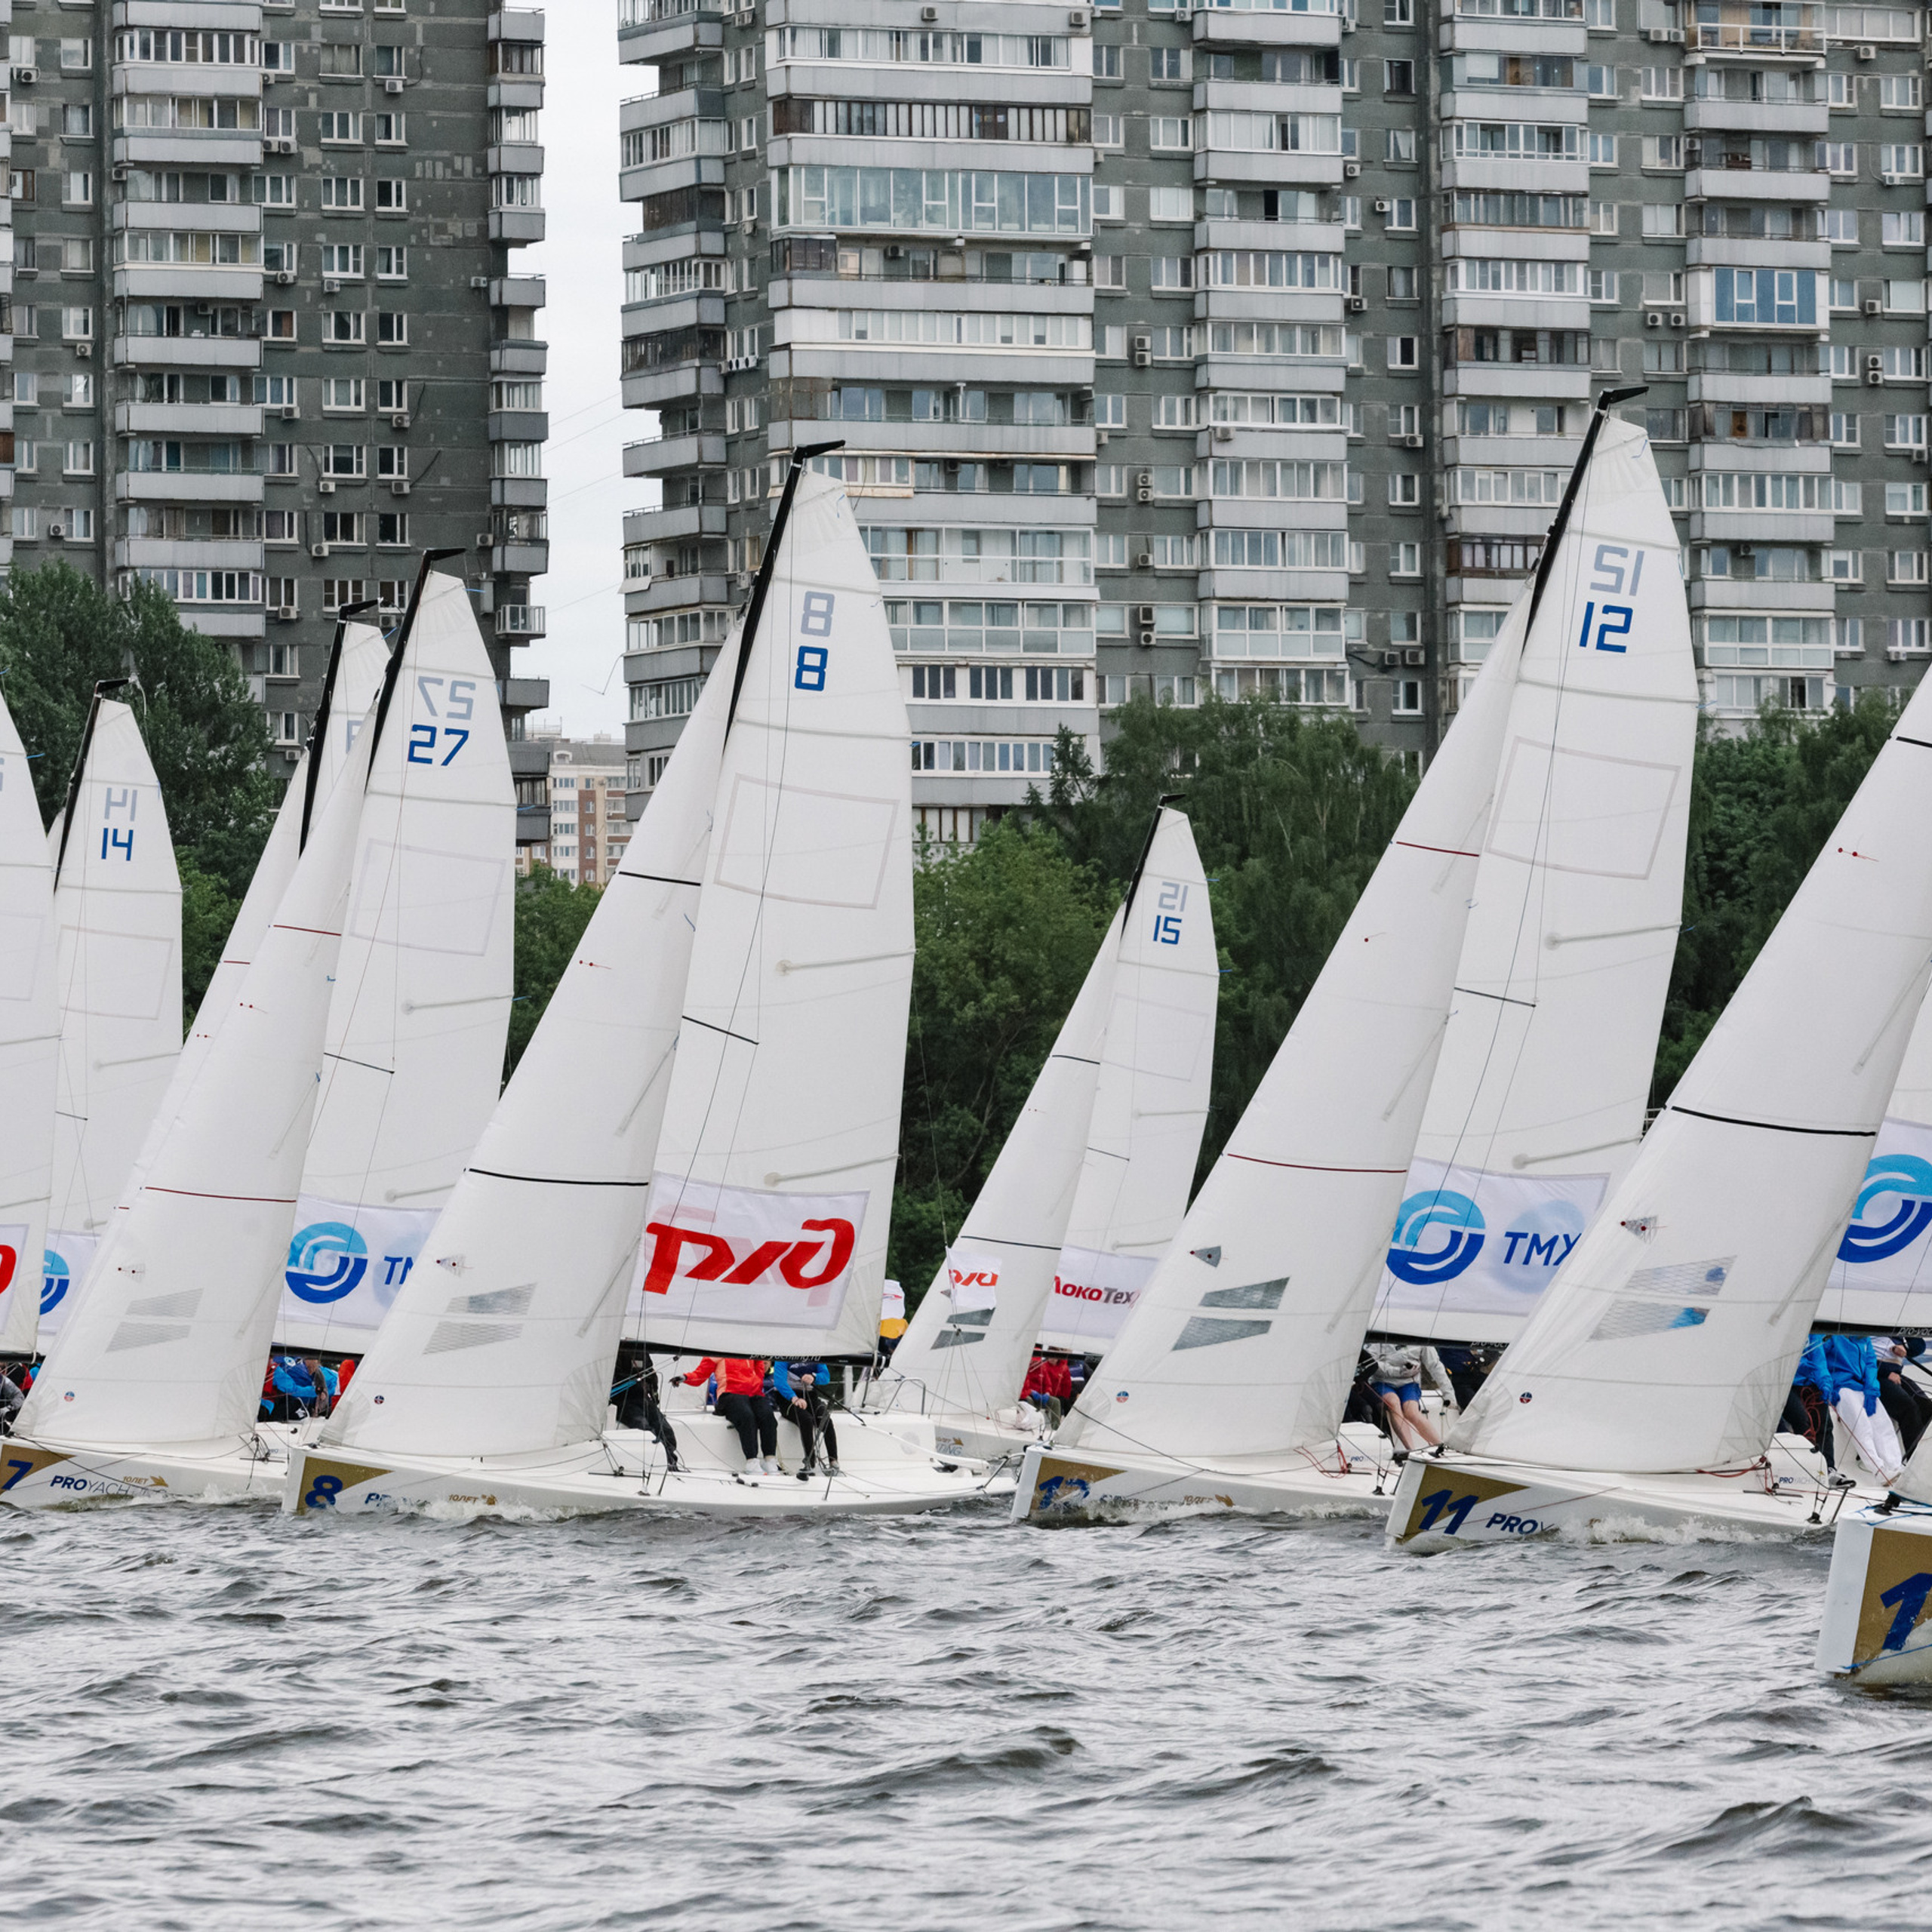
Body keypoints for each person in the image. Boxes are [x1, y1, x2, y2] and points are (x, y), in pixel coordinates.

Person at [1820, 1332, 1904, 1485]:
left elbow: (1871, 1363)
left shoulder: (1863, 1338)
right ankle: (1879, 1471)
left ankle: (1896, 1466)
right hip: (1841, 1388)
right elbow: (1820, 1360)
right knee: (1861, 1427)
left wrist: (1871, 1388)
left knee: (1883, 1424)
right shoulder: (1831, 1337)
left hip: (1862, 1387)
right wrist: (1829, 1386)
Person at [680, 1356, 776, 1475]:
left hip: (753, 1394)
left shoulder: (749, 1349)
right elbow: (700, 1375)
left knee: (768, 1416)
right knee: (747, 1416)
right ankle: (752, 1461)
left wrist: (757, 1379)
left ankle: (770, 1459)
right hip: (729, 1394)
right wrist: (686, 1378)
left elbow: (759, 1363)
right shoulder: (717, 1352)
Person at [1366, 1340, 1456, 1456]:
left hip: (1409, 1383)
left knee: (1411, 1412)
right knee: (1394, 1403)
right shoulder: (1380, 1338)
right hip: (1382, 1381)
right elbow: (1370, 1361)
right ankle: (1411, 1450)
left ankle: (1441, 1447)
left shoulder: (1421, 1338)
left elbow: (1435, 1366)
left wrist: (1448, 1393)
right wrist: (1397, 1371)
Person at [613, 1351, 682, 1472]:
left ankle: (670, 1462)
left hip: (644, 1400)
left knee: (666, 1430)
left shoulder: (642, 1353)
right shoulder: (617, 1351)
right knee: (645, 1428)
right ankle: (657, 1465)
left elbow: (652, 1375)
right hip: (623, 1401)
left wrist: (655, 1396)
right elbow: (613, 1377)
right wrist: (633, 1380)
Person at [774, 1358, 841, 1478]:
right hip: (788, 1398)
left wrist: (814, 1377)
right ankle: (810, 1463)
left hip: (810, 1395)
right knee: (806, 1419)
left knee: (825, 1419)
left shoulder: (814, 1356)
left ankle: (834, 1462)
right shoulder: (783, 1356)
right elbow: (779, 1382)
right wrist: (794, 1398)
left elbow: (826, 1377)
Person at [1875, 1338, 1932, 1458]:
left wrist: (1906, 1348)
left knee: (1927, 1408)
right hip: (1873, 1376)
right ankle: (1915, 1462)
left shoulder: (1893, 1324)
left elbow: (1919, 1344)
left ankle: (1927, 1459)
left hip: (1895, 1374)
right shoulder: (1868, 1325)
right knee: (1908, 1409)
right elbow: (1856, 1355)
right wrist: (1884, 1372)